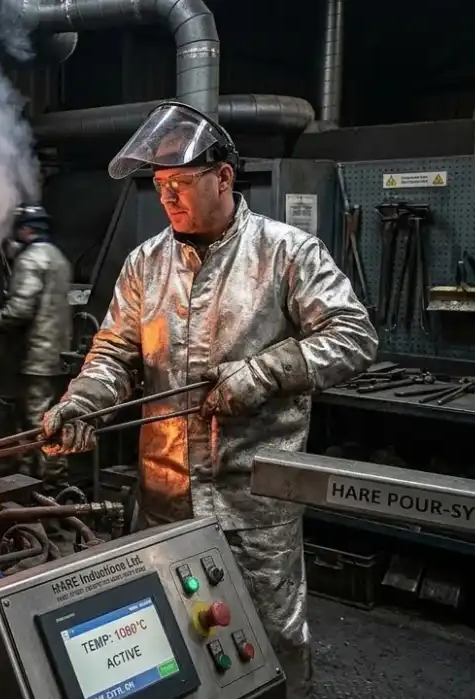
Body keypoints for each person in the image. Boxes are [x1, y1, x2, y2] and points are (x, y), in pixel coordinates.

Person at [40, 102, 378, 698]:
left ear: (223, 177)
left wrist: (266, 371)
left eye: (181, 184)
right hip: (164, 499)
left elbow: (353, 337)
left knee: (271, 641)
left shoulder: (286, 253)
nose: (168, 197)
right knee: (173, 643)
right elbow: (114, 352)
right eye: (160, 185)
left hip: (253, 502)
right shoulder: (146, 264)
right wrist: (84, 399)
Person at [0, 204, 73, 492]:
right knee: (51, 415)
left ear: (25, 229)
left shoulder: (31, 260)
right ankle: (37, 474)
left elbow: (20, 309)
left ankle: (51, 484)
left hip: (37, 356)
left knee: (39, 421)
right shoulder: (58, 257)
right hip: (58, 353)